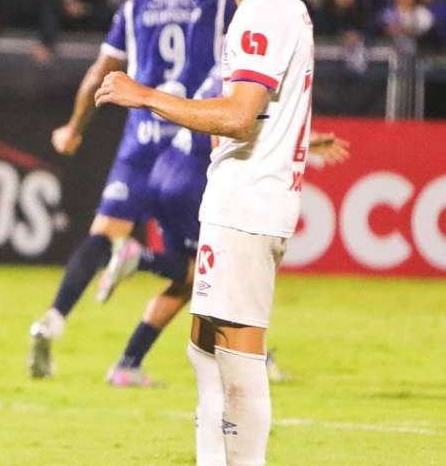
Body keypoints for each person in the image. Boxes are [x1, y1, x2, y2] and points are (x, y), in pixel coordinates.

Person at [95, 0, 312, 466]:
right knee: (204, 349)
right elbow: (259, 114)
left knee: (237, 357)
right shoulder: (266, 11)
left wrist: (144, 96)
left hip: (248, 203)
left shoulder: (263, 14)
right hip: (238, 199)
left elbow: (238, 115)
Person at [26, 0, 227, 378]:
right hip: (190, 141)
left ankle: (51, 322)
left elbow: (102, 72)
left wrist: (74, 127)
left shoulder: (137, 3)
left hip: (140, 139)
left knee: (104, 234)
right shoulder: (222, 1)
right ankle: (244, 350)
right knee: (205, 264)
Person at [98, 65, 350, 386]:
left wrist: (307, 144)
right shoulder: (257, 62)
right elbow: (236, 123)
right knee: (225, 272)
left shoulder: (225, 62)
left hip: (167, 168)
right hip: (194, 179)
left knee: (188, 281)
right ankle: (142, 259)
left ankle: (127, 364)